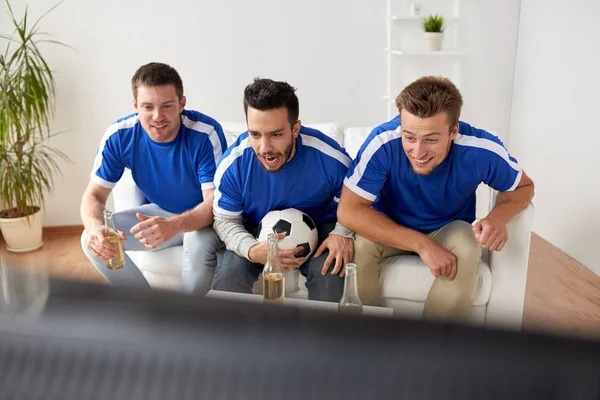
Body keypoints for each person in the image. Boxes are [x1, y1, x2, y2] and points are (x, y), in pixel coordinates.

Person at [338, 76, 535, 322]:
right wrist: (422, 245)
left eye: (431, 139)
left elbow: (523, 186)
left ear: (453, 131)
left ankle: (432, 348)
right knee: (361, 245)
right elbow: (349, 211)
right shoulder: (382, 143)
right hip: (390, 226)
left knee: (466, 244)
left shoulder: (480, 149)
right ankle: (370, 340)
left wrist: (498, 217)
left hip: (446, 229)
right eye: (409, 137)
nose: (418, 152)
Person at [80, 62, 227, 295]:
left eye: (167, 106)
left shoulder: (205, 133)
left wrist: (174, 226)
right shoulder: (119, 136)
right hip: (160, 213)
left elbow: (215, 206)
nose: (158, 116)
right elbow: (94, 196)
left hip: (203, 220)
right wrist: (97, 228)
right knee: (90, 238)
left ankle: (190, 320)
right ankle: (149, 312)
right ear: (136, 105)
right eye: (148, 107)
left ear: (182, 104)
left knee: (196, 245)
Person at [211, 78, 354, 302]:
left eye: (276, 134)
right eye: (255, 134)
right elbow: (225, 221)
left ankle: (323, 337)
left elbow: (359, 204)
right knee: (230, 275)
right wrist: (251, 250)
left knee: (330, 274)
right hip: (254, 228)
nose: (265, 148)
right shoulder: (234, 165)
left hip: (321, 224)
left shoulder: (330, 159)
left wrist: (341, 233)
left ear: (295, 129)